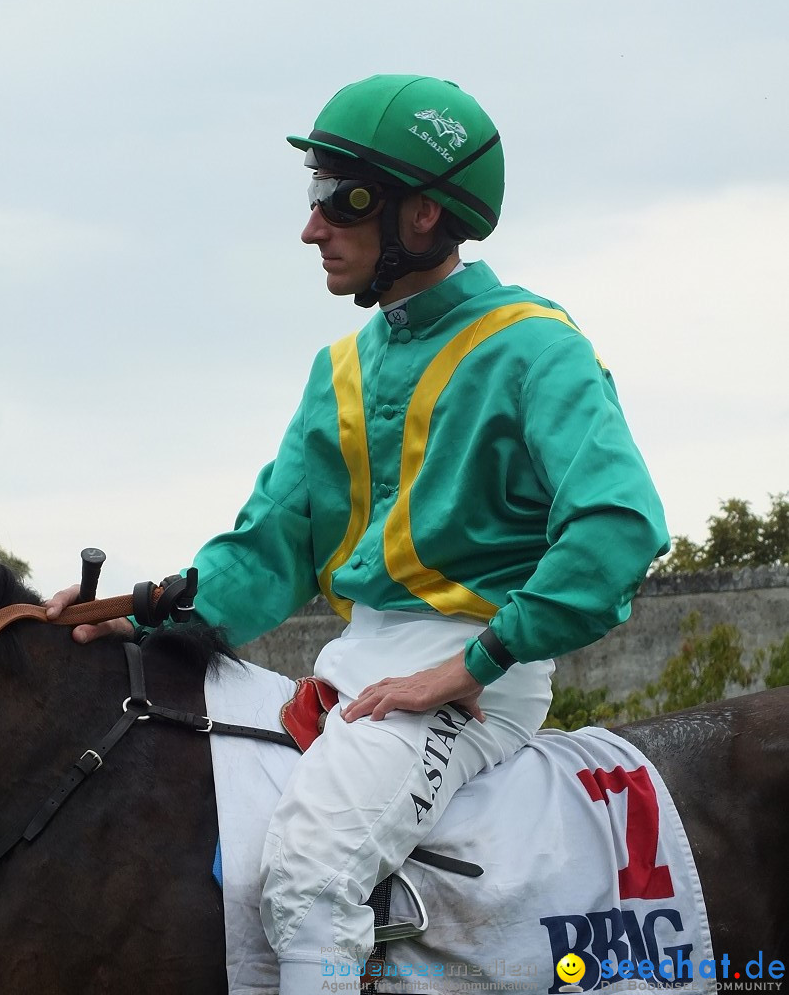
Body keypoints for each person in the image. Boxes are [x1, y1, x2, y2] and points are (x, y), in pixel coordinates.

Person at [47, 74, 669, 994]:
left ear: (422, 217)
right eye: (314, 197)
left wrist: (480, 662)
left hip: (474, 671)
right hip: (361, 661)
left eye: (340, 200)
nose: (312, 227)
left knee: (309, 872)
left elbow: (621, 527)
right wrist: (131, 613)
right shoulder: (339, 366)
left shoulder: (538, 347)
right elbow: (270, 550)